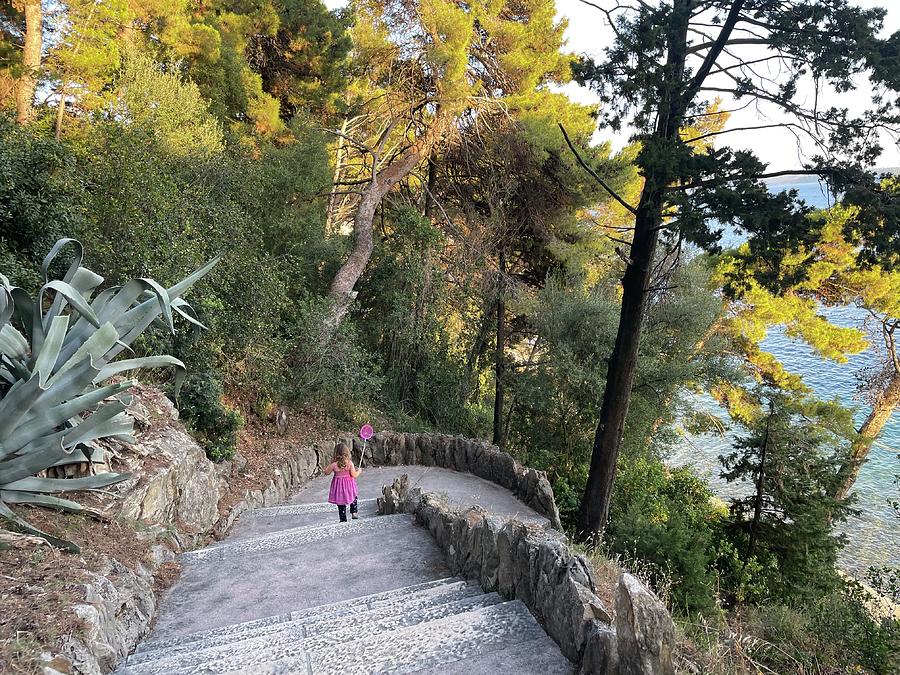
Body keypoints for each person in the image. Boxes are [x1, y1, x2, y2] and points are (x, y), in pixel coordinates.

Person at [324, 442, 360, 522]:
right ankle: (354, 512)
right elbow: (354, 475)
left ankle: (343, 518)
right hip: (349, 485)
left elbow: (326, 472)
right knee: (353, 497)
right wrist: (359, 471)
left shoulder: (334, 465)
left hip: (339, 487)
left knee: (341, 502)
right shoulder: (350, 463)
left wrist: (326, 468)